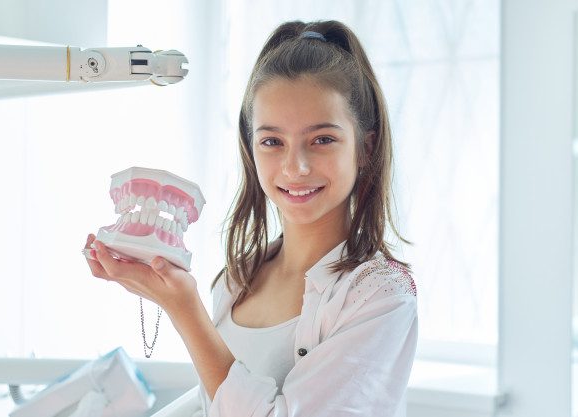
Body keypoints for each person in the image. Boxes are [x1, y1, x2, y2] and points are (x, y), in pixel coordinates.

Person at [85, 19, 418, 417]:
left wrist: (184, 309)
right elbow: (212, 403)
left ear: (365, 147)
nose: (296, 167)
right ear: (251, 149)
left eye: (322, 139)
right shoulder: (237, 278)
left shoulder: (381, 293)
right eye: (272, 142)